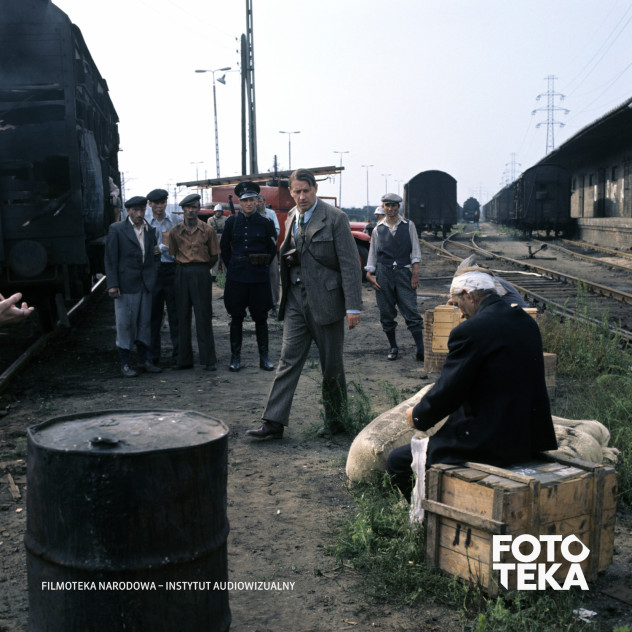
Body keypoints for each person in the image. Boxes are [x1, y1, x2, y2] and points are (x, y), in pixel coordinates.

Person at [386, 268, 557, 501]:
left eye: (458, 305)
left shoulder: (470, 331)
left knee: (398, 461)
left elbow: (449, 390)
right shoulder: (526, 322)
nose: (460, 314)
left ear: (469, 295)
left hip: (489, 442)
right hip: (529, 440)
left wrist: (418, 416)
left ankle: (424, 518)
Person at [246, 168, 363, 440]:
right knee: (287, 360)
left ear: (315, 189)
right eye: (296, 191)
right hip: (296, 302)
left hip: (327, 302)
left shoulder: (335, 218)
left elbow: (349, 264)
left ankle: (336, 423)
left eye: (306, 191)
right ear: (290, 192)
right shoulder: (291, 217)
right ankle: (273, 422)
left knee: (331, 366)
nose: (301, 196)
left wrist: (352, 307)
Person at [220, 182, 277, 372]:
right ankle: (235, 357)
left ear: (257, 201)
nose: (249, 204)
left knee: (261, 317)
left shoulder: (266, 223)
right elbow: (224, 248)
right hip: (237, 277)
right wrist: (233, 265)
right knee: (236, 317)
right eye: (245, 201)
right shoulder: (231, 222)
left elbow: (272, 249)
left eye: (252, 200)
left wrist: (260, 264)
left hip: (258, 277)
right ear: (240, 202)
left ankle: (264, 357)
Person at [104, 195, 162, 377]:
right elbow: (110, 259)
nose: (139, 214)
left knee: (144, 324)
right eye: (135, 210)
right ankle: (125, 363)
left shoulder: (149, 230)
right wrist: (113, 284)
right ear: (128, 211)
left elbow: (155, 255)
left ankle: (144, 360)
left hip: (145, 285)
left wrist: (152, 274)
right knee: (125, 324)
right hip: (126, 285)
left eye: (142, 210)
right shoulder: (117, 229)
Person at [365, 192, 425, 361]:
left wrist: (415, 274)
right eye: (387, 206)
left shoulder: (408, 225)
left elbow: (415, 251)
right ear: (383, 207)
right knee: (386, 311)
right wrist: (369, 274)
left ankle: (421, 349)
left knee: (411, 310)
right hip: (383, 273)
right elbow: (372, 255)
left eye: (393, 206)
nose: (390, 209)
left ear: (398, 207)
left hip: (403, 272)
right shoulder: (377, 229)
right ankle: (393, 347)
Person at [168, 193, 219, 371]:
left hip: (201, 272)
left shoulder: (208, 230)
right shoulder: (175, 232)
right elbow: (173, 253)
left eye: (194, 207)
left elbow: (214, 256)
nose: (191, 211)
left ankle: (208, 359)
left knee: (203, 315)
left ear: (198, 209)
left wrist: (201, 269)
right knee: (182, 316)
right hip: (182, 273)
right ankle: (184, 360)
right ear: (183, 209)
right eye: (188, 207)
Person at [146, 188, 179, 368]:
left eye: (162, 202)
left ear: (166, 203)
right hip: (153, 272)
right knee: (153, 316)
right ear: (149, 204)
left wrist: (165, 248)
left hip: (171, 270)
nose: (159, 206)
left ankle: (179, 356)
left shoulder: (175, 221)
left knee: (175, 314)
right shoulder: (144, 223)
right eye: (156, 203)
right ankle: (153, 356)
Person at [256, 193, 281, 314]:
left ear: (264, 202)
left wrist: (264, 236)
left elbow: (277, 230)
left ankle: (274, 304)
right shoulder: (252, 214)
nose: (258, 204)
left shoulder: (271, 214)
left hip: (269, 249)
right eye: (257, 201)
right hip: (255, 250)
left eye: (260, 201)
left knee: (273, 275)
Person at [207, 205, 226, 282]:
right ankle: (213, 276)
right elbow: (209, 230)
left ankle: (227, 275)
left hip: (224, 239)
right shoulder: (210, 219)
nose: (218, 213)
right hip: (214, 240)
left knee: (225, 258)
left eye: (219, 211)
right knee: (215, 258)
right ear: (214, 212)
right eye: (217, 211)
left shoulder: (225, 219)